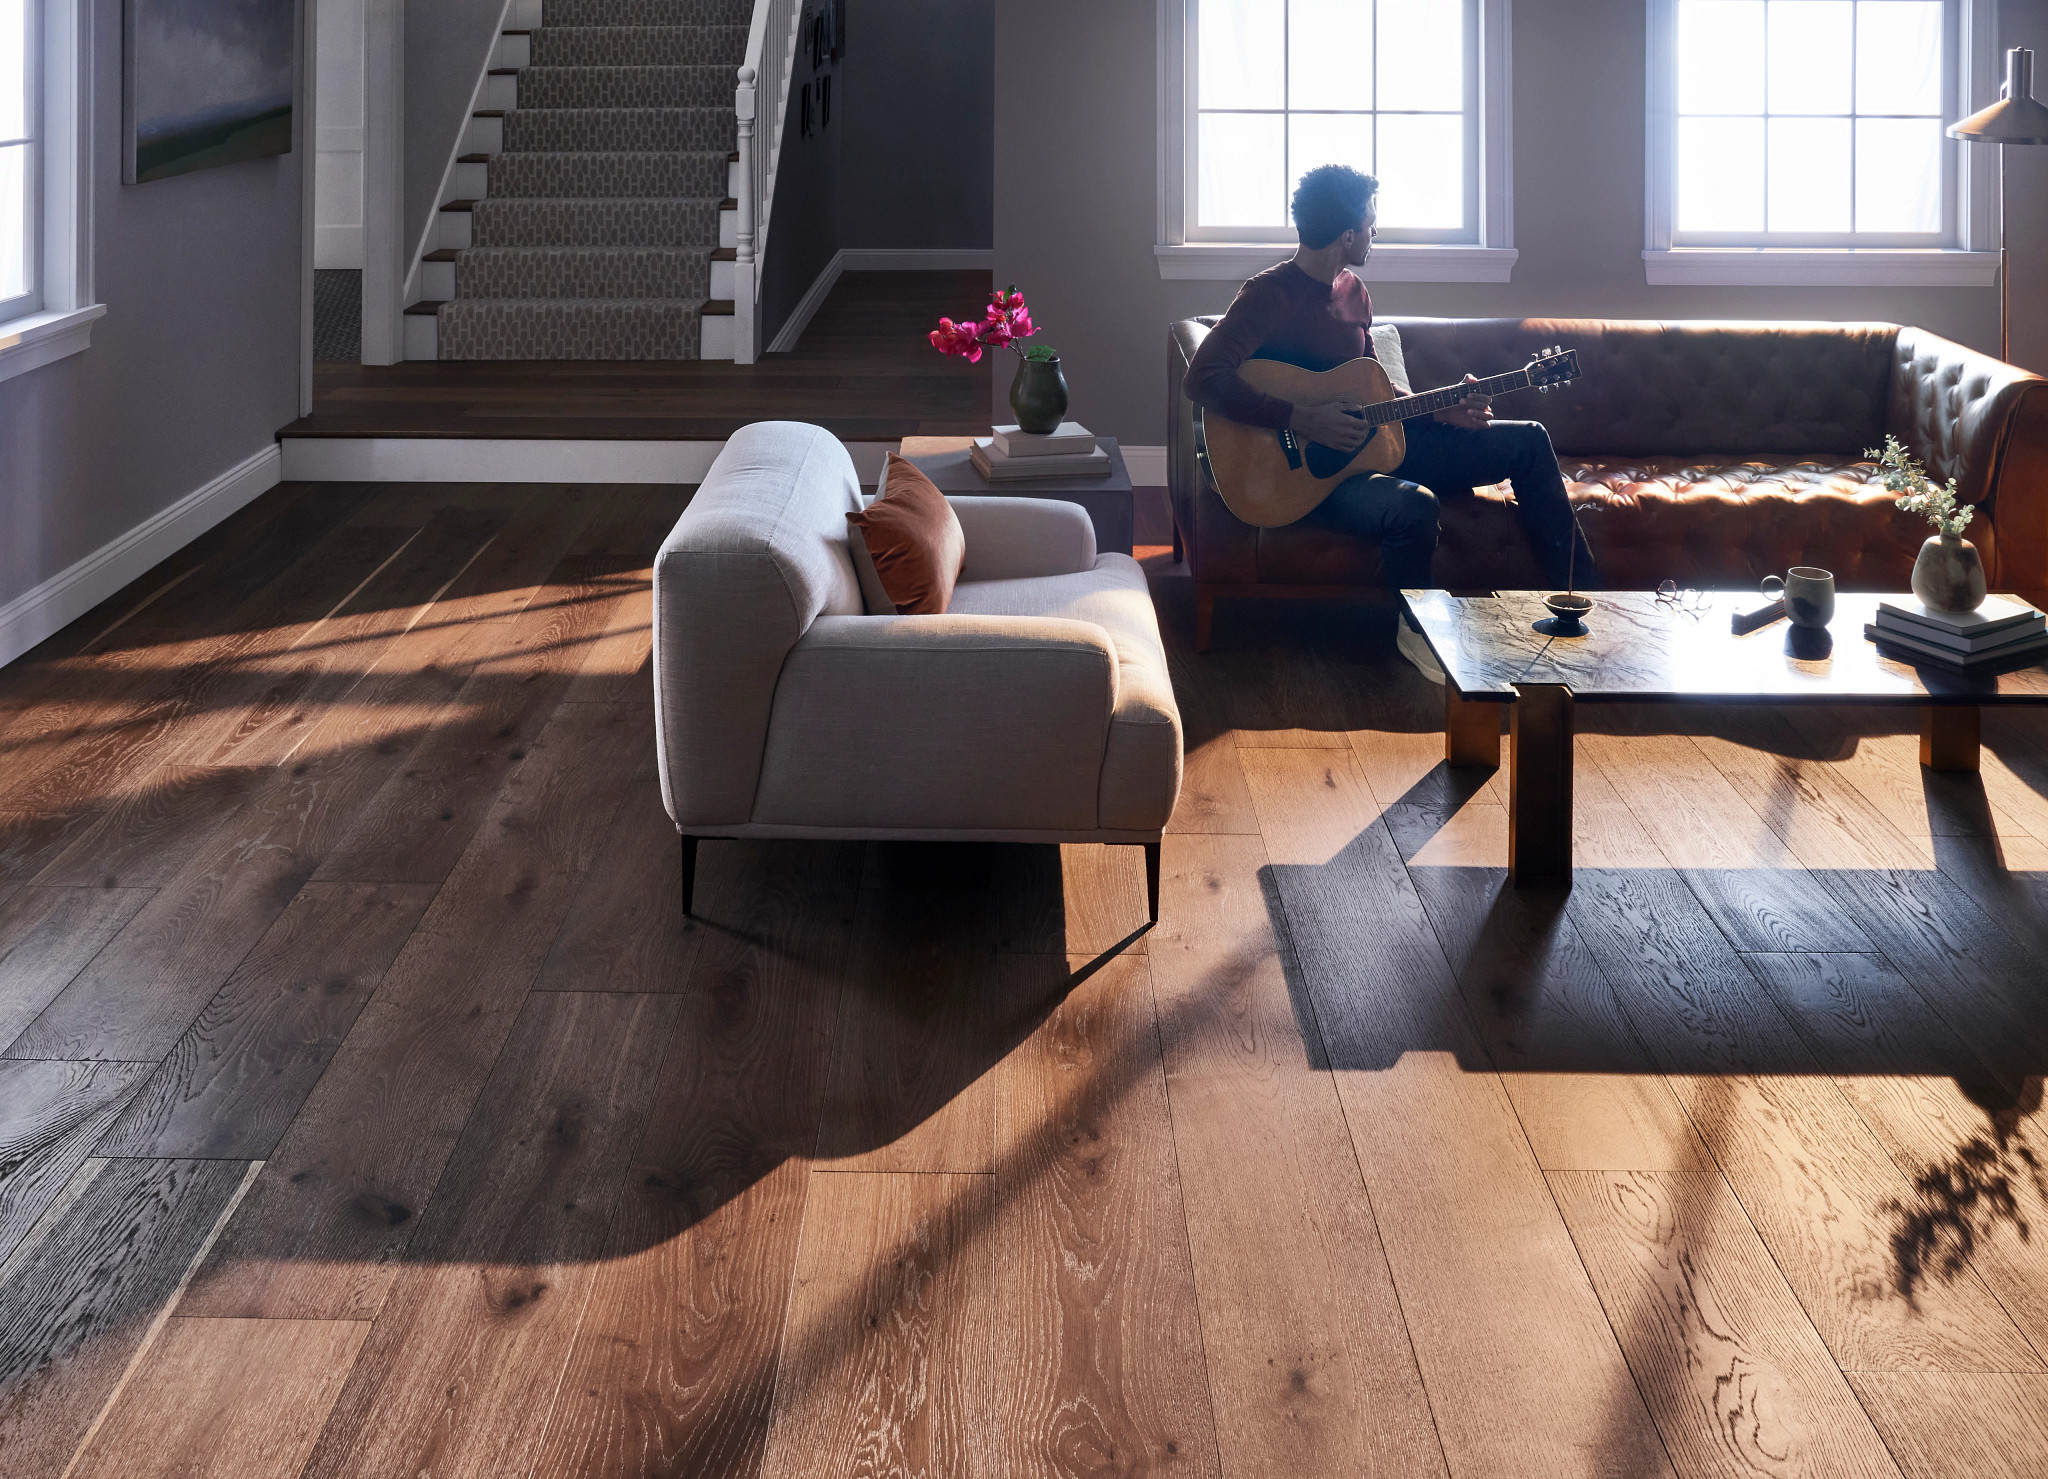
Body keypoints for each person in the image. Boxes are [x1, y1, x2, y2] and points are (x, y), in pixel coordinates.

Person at [1182, 163, 1596, 678]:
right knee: (1413, 509)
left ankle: (1585, 604)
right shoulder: (1268, 295)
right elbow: (1202, 378)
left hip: (1377, 444)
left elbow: (1373, 386)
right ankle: (1417, 629)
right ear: (1348, 234)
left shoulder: (1354, 291)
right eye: (1372, 223)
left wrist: (1442, 406)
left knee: (1529, 442)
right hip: (1305, 478)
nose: (1376, 233)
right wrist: (1301, 418)